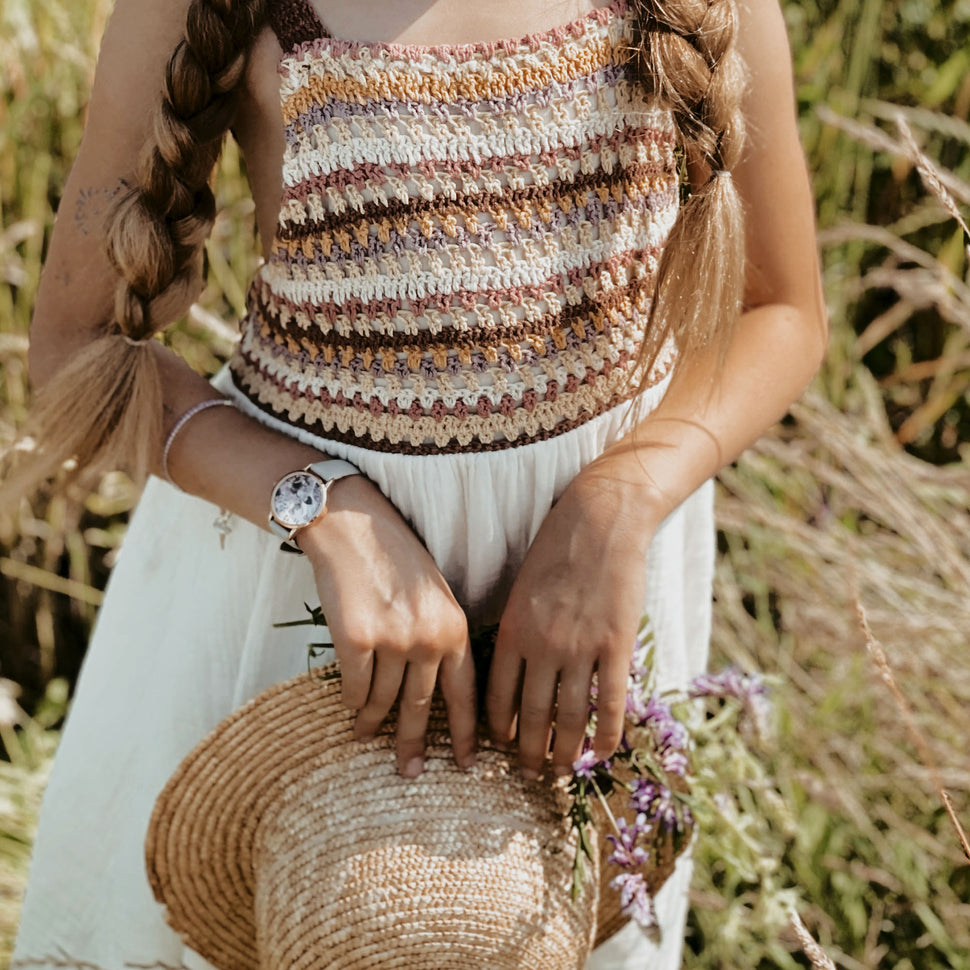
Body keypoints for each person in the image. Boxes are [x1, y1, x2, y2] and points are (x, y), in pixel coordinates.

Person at [8, 0, 827, 965]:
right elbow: (76, 351)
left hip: (586, 589)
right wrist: (324, 505)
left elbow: (784, 311)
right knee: (325, 925)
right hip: (306, 596)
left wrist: (620, 501)